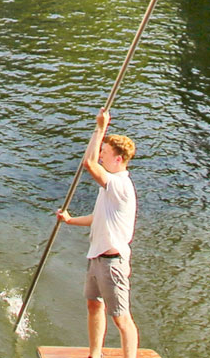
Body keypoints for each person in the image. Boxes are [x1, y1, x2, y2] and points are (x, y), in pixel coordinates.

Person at [55, 108, 140, 358]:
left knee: (121, 318)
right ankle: (95, 354)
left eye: (105, 152)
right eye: (101, 151)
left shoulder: (120, 185)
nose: (101, 156)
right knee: (94, 305)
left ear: (118, 159)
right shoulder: (108, 188)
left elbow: (89, 163)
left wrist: (100, 127)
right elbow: (97, 218)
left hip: (112, 262)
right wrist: (70, 220)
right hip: (97, 257)